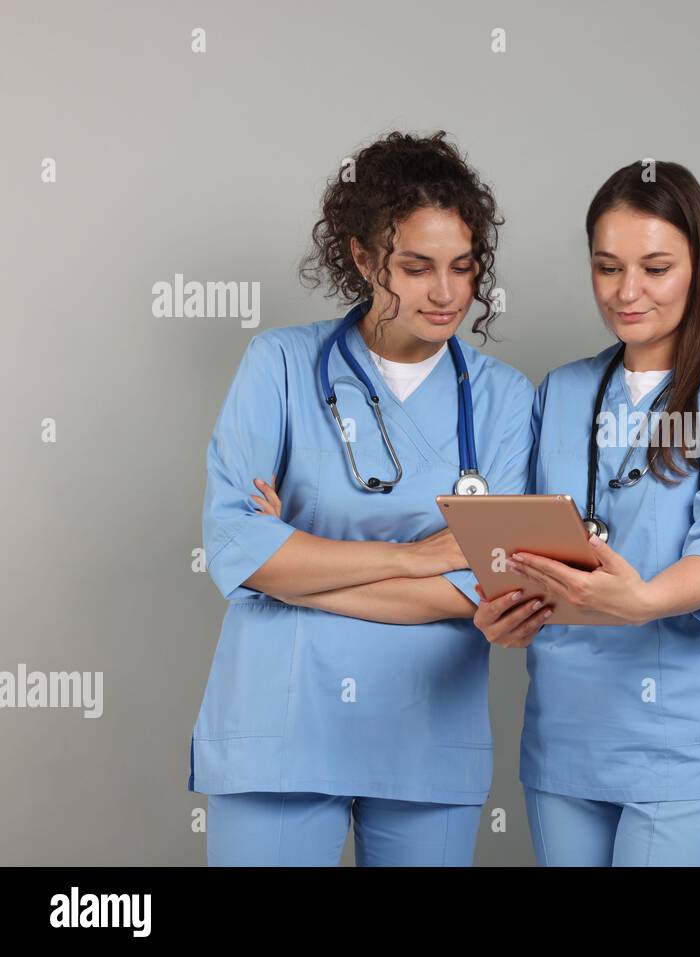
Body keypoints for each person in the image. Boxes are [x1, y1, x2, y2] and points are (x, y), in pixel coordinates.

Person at [189, 130, 535, 866]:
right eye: (416, 267)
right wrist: (418, 557)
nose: (446, 293)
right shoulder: (278, 365)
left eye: (463, 267)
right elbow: (238, 550)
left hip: (427, 735)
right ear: (362, 256)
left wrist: (299, 566)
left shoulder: (506, 402)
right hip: (280, 726)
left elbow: (485, 583)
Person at [484, 160, 700, 866]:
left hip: (690, 745)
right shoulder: (562, 391)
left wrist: (644, 599)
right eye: (607, 267)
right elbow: (517, 541)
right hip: (566, 740)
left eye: (656, 268)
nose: (628, 292)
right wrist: (503, 610)